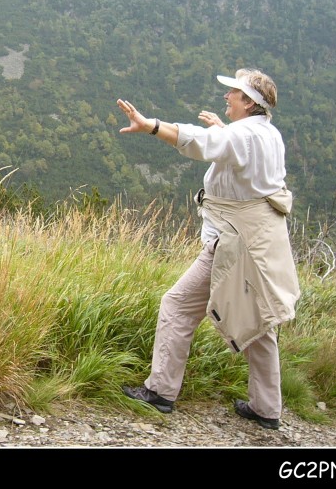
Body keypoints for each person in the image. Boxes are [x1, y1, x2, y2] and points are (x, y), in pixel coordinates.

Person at [115, 68, 300, 430]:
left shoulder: (242, 134)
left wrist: (151, 125)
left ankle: (160, 392)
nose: (226, 97)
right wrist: (224, 129)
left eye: (233, 93)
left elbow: (200, 142)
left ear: (249, 102)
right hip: (261, 242)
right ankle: (266, 408)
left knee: (178, 304)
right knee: (260, 322)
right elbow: (235, 146)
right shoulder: (267, 133)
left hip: (231, 245)